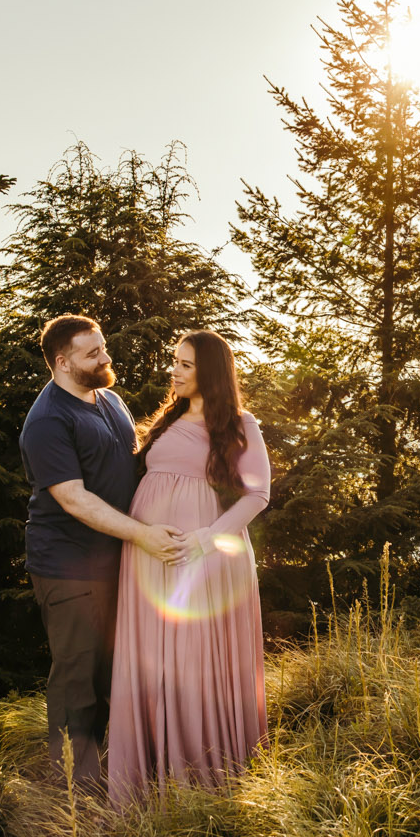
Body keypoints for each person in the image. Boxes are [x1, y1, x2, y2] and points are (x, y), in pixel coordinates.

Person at [19, 314, 186, 791]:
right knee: (78, 681)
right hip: (69, 569)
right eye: (92, 354)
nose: (105, 359)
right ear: (62, 362)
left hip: (118, 562)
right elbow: (74, 499)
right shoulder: (48, 420)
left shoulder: (109, 400)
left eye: (103, 348)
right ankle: (74, 798)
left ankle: (116, 780)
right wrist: (142, 535)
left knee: (115, 672)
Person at [106, 329, 270, 806]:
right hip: (146, 557)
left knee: (192, 660)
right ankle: (147, 780)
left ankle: (201, 785)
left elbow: (258, 495)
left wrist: (205, 540)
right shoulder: (167, 419)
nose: (173, 371)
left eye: (184, 365)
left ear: (210, 373)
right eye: (174, 362)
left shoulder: (241, 423)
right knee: (151, 659)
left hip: (202, 558)